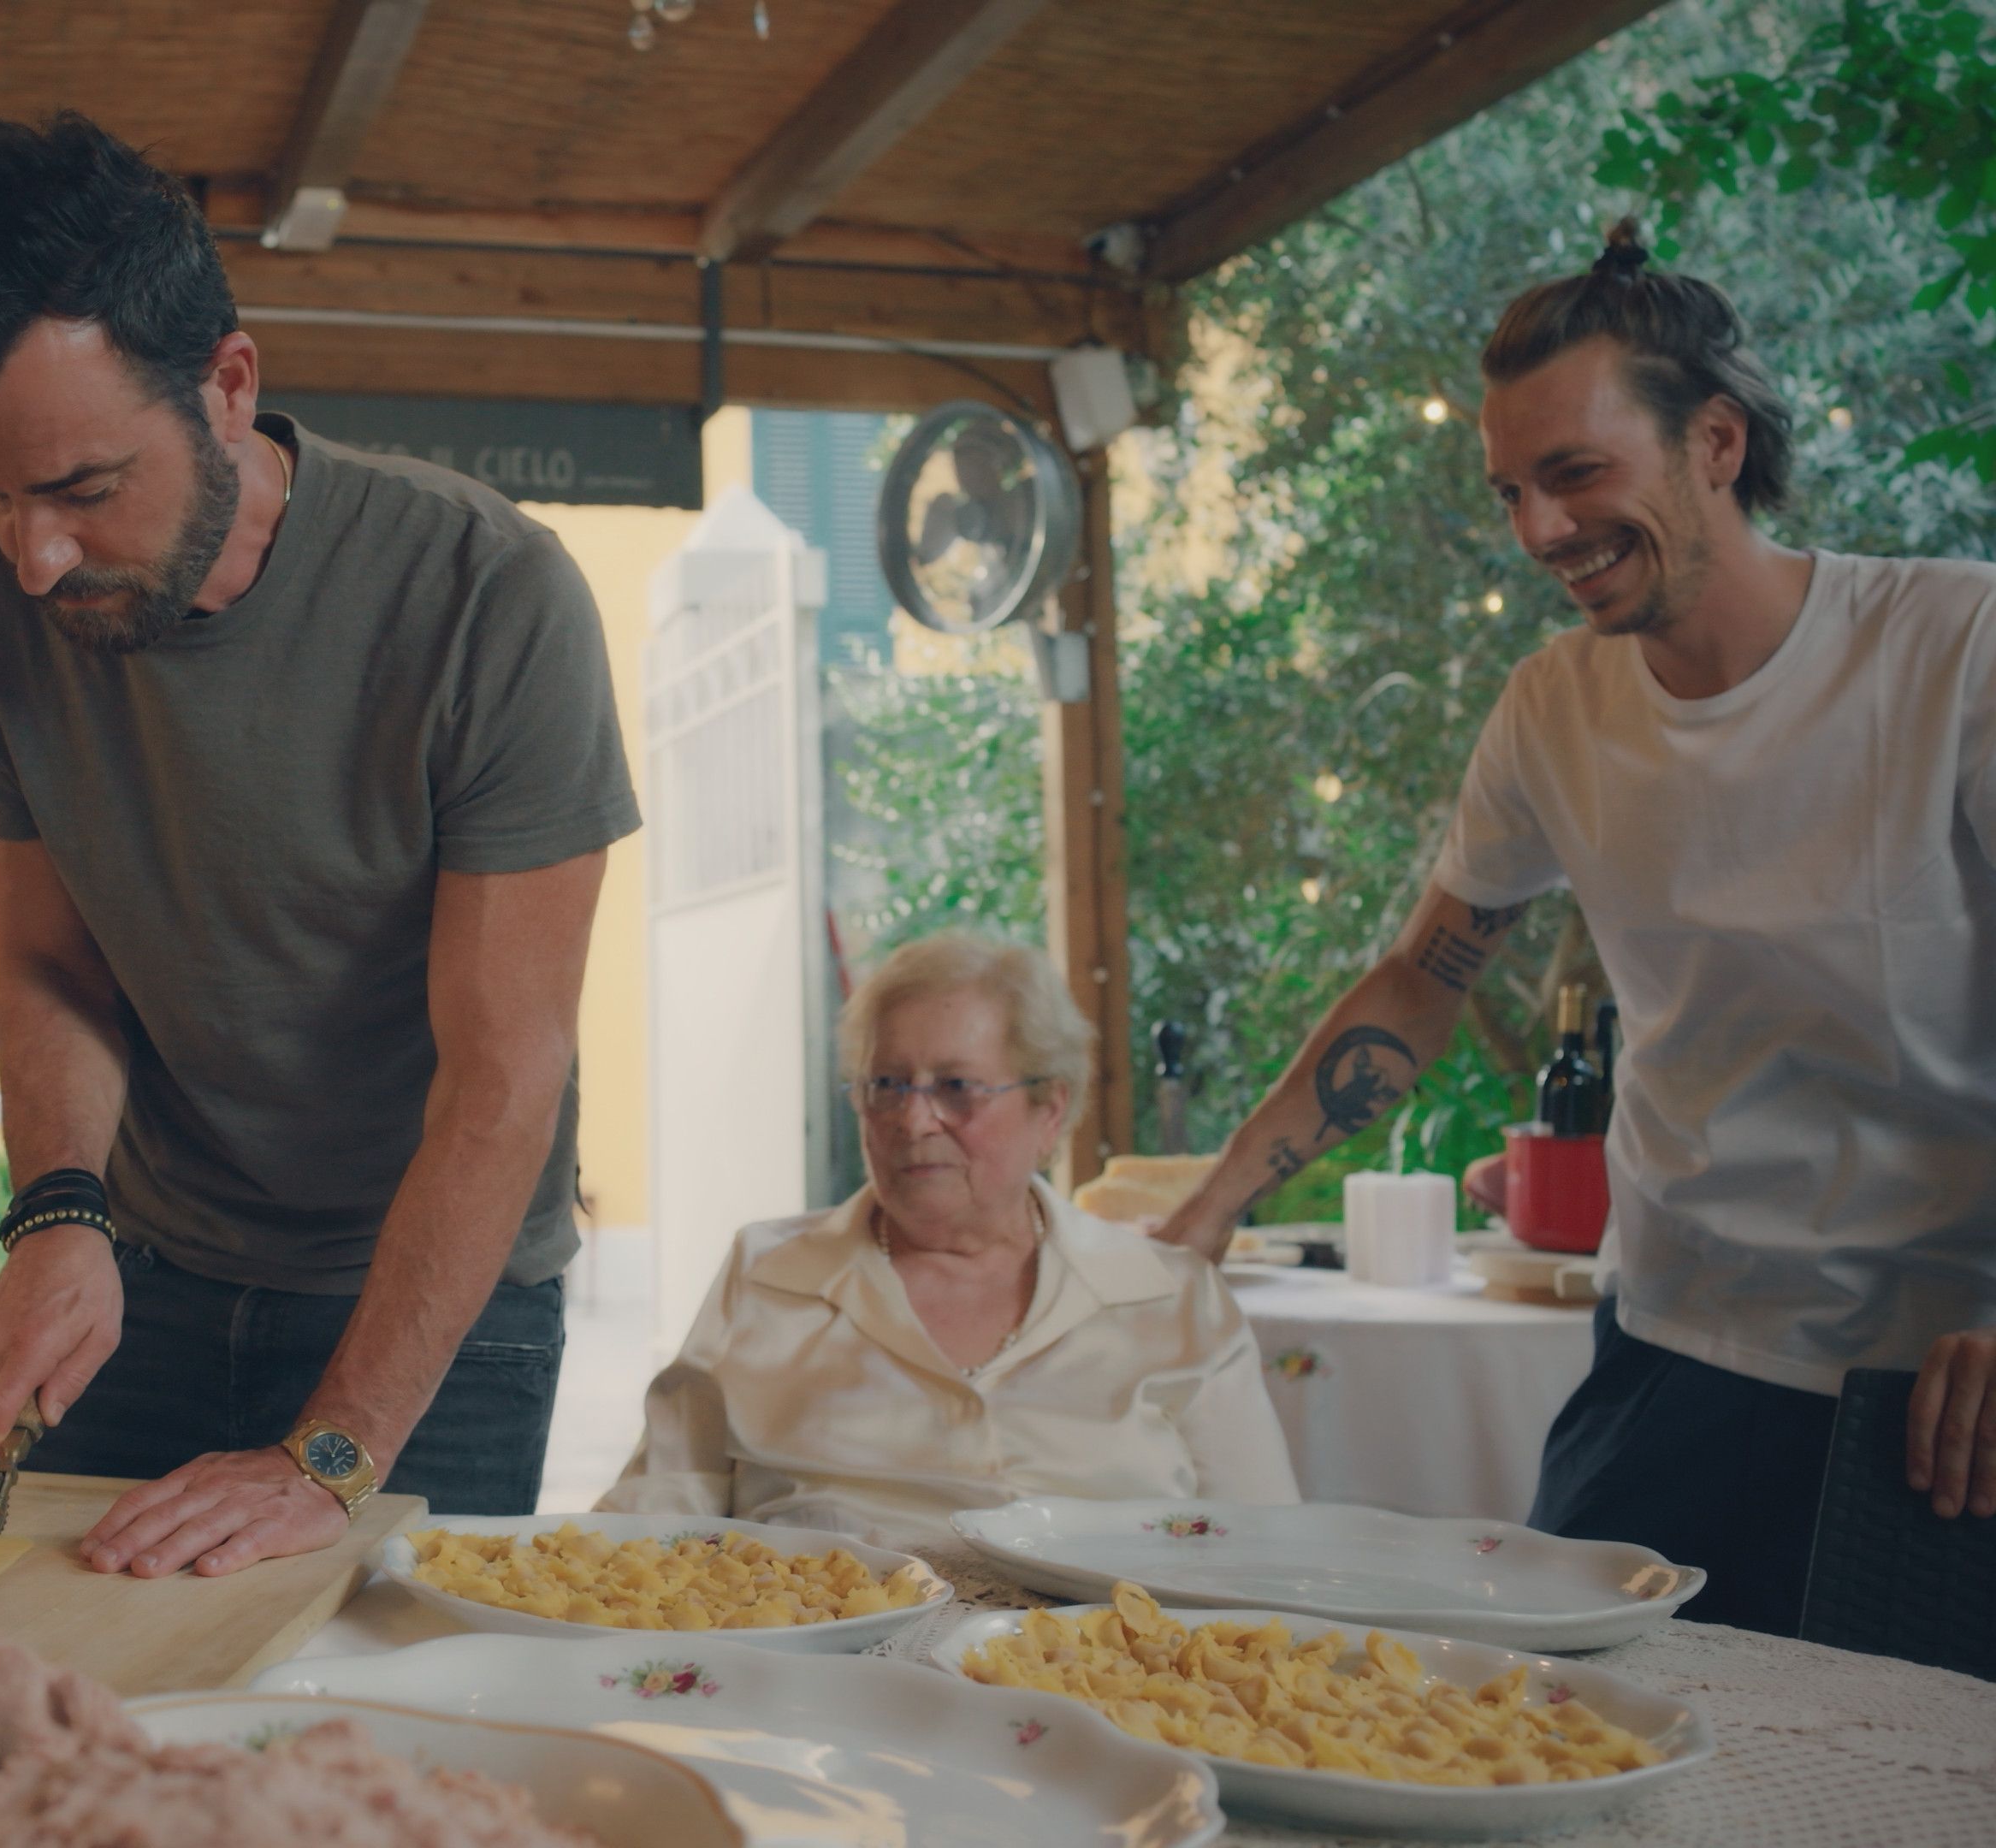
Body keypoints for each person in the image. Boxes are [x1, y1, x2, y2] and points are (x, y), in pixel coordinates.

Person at [1155, 222, 1996, 1632]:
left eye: (1577, 474)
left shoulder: (1954, 648)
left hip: (1937, 1392)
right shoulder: (1554, 707)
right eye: (1510, 492)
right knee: (1571, 1743)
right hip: (1668, 1353)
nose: (1540, 531)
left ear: (1715, 444)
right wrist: (1212, 1208)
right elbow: (1423, 981)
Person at [0, 116, 637, 1578]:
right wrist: (58, 1212)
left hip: (437, 1306)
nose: (31, 556)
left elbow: (504, 1078)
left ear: (228, 386)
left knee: (381, 1738)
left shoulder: (490, 595)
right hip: (149, 1267)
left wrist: (326, 1455)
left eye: (83, 491)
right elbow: (47, 963)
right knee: (111, 1714)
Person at [602, 934, 1297, 1551]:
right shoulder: (768, 1276)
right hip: (830, 1675)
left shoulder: (1172, 1300)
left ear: (1049, 1110)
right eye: (887, 1085)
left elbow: (1266, 1554)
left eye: (956, 1087)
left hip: (1109, 1679)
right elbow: (653, 1523)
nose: (914, 1119)